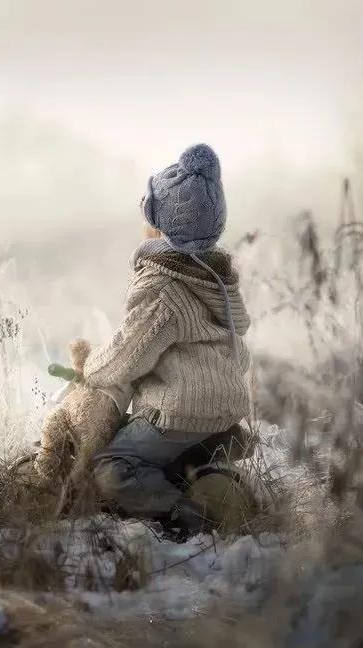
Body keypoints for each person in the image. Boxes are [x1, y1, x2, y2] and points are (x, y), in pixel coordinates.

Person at [81, 143, 252, 536]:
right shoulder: (216, 281)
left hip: (180, 412)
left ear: (160, 227)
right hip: (224, 411)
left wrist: (92, 367)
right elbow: (237, 353)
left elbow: (129, 355)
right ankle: (208, 473)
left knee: (111, 467)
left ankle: (188, 514)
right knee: (170, 450)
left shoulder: (163, 288)